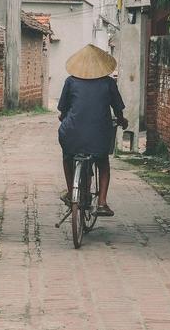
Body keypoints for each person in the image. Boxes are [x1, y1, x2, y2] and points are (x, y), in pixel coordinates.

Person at [57, 44, 128, 217]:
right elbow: (118, 109)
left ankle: (69, 192)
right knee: (102, 162)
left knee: (67, 157)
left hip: (72, 133)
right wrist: (121, 120)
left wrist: (65, 117)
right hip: (99, 133)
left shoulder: (70, 81)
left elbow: (63, 110)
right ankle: (102, 202)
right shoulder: (108, 83)